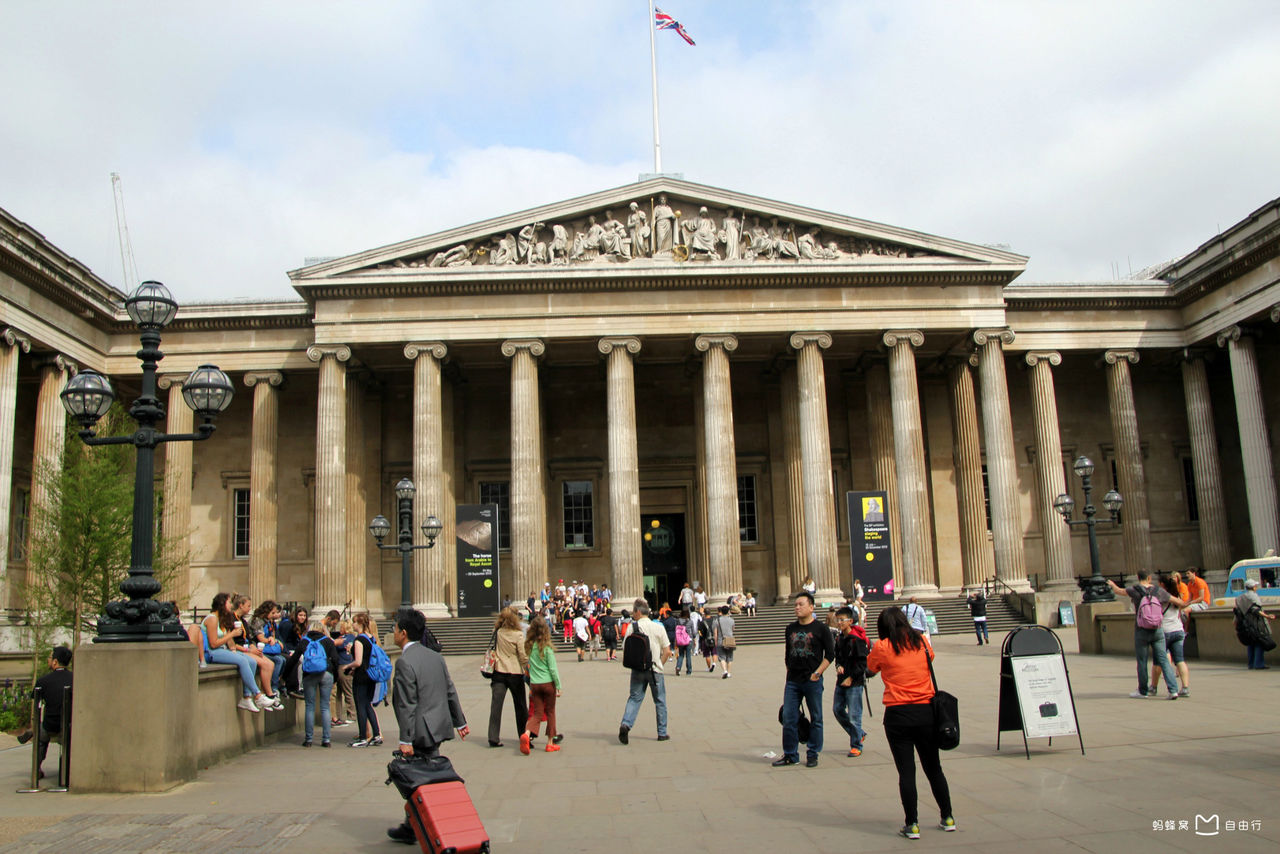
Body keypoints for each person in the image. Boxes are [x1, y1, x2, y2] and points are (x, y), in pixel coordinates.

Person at [867, 607, 956, 839]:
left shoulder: (882, 647)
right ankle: (947, 817)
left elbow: (870, 668)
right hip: (926, 712)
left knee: (906, 772)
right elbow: (930, 661)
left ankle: (912, 824)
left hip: (898, 714)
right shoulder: (923, 642)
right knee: (934, 768)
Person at [385, 608, 469, 846]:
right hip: (438, 726)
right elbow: (450, 690)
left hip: (420, 731)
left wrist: (405, 739)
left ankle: (424, 826)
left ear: (403, 633)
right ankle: (413, 825)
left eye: (394, 628)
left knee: (418, 780)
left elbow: (406, 705)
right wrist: (459, 721)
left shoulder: (404, 662)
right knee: (425, 777)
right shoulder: (435, 656)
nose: (392, 632)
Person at [773, 592, 835, 768]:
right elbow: (787, 654)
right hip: (793, 680)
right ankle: (791, 754)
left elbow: (830, 654)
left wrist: (817, 673)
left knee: (816, 717)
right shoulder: (790, 629)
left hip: (812, 680)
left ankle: (813, 752)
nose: (797, 607)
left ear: (811, 607)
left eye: (800, 604)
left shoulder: (821, 629)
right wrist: (789, 669)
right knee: (789, 717)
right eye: (795, 605)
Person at [1106, 570, 1183, 698]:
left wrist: (1113, 585)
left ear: (1138, 578)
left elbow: (1119, 591)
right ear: (1149, 578)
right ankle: (1173, 690)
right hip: (1157, 629)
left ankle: (1143, 691)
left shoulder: (1134, 590)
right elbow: (1179, 602)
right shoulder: (1158, 591)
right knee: (1163, 659)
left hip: (1141, 628)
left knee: (1142, 661)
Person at [202, 592, 274, 713]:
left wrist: (234, 649)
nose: (231, 605)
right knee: (243, 661)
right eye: (229, 602)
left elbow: (228, 640)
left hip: (221, 650)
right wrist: (232, 634)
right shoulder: (212, 619)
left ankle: (246, 697)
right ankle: (257, 695)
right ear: (221, 604)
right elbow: (213, 643)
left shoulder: (220, 619)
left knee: (251, 661)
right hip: (211, 652)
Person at [618, 600, 671, 744]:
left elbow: (625, 648)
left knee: (634, 698)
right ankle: (662, 732)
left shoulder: (631, 627)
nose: (633, 614)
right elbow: (667, 651)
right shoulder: (658, 627)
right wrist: (660, 664)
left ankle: (626, 724)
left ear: (638, 612)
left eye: (633, 612)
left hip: (638, 669)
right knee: (660, 701)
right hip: (655, 670)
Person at [281, 619, 339, 747]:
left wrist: (284, 676)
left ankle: (308, 739)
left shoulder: (305, 641)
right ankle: (326, 740)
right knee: (325, 706)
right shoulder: (327, 641)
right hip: (326, 673)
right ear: (322, 630)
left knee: (310, 706)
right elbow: (335, 659)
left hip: (309, 675)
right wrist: (335, 677)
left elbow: (293, 659)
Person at [487, 606, 529, 748]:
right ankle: (523, 735)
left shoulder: (497, 632)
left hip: (498, 672)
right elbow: (522, 655)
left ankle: (493, 737)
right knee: (521, 706)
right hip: (515, 673)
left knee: (496, 706)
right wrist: (527, 669)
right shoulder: (518, 635)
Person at [521, 616, 563, 755]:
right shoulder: (547, 648)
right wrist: (558, 685)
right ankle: (550, 743)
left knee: (537, 714)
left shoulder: (530, 648)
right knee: (550, 712)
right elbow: (553, 669)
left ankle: (526, 734)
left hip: (535, 684)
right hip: (547, 684)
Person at [832, 606, 870, 758]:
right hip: (841, 680)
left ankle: (856, 745)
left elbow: (862, 664)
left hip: (854, 682)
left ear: (850, 621)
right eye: (838, 620)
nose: (839, 623)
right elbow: (838, 657)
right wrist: (838, 666)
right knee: (837, 709)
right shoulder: (840, 638)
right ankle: (859, 733)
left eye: (842, 620)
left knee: (854, 715)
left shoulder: (857, 640)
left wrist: (851, 678)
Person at [33, 646, 73, 779]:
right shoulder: (76, 679)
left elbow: (35, 698)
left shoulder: (43, 681)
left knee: (40, 737)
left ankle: (36, 768)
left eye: (49, 658)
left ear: (55, 662)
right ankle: (66, 769)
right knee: (68, 742)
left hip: (50, 725)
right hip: (70, 726)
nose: (48, 660)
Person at [344, 612, 384, 746]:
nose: (353, 625)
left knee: (360, 706)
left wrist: (347, 666)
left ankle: (362, 737)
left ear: (360, 623)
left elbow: (358, 662)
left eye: (354, 622)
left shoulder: (359, 639)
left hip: (362, 676)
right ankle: (377, 734)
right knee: (368, 705)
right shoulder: (371, 638)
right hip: (371, 675)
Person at [1150, 574, 1191, 697]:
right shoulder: (1177, 595)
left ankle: (1153, 687)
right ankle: (1185, 688)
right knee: (1180, 660)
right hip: (1178, 630)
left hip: (1165, 631)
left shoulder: (1161, 596)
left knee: (1158, 661)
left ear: (1162, 584)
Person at [1234, 577, 1276, 669]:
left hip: (1244, 624)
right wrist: (1267, 616)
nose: (1256, 587)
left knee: (1250, 643)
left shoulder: (1240, 597)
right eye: (1255, 586)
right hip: (1255, 624)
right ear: (1253, 587)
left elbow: (1237, 611)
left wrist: (1235, 622)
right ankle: (1259, 664)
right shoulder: (1253, 596)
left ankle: (1251, 664)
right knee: (1259, 642)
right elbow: (1255, 610)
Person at [331, 619, 356, 727]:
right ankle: (339, 715)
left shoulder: (346, 638)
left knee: (346, 692)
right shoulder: (353, 638)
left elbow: (334, 643)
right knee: (340, 692)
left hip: (343, 666)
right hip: (345, 665)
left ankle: (351, 715)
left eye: (341, 627)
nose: (339, 629)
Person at [714, 605, 736, 679]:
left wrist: (716, 641)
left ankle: (725, 670)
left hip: (721, 640)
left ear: (721, 612)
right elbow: (733, 630)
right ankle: (729, 672)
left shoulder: (717, 620)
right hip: (730, 640)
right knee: (729, 657)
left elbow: (715, 633)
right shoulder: (732, 620)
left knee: (721, 657)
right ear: (728, 611)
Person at [673, 609, 694, 676]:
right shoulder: (690, 621)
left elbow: (675, 630)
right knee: (688, 656)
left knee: (681, 655)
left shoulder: (677, 621)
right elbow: (693, 631)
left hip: (680, 640)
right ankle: (689, 671)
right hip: (688, 640)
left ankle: (678, 667)